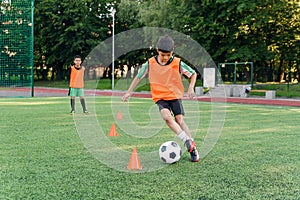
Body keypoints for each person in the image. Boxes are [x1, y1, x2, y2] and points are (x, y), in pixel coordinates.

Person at [122, 35, 199, 162]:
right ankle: (187, 141)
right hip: (160, 97)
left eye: (168, 55)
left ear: (172, 52)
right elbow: (139, 76)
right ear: (158, 51)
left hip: (174, 95)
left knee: (179, 120)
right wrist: (129, 92)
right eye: (163, 55)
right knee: (167, 117)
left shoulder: (177, 62)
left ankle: (193, 149)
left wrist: (191, 88)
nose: (165, 58)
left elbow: (193, 74)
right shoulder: (150, 63)